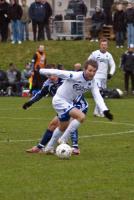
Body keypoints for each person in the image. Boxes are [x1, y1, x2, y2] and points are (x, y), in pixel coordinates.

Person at [39, 59, 113, 154]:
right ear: (84, 69)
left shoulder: (93, 82)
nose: (92, 73)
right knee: (81, 116)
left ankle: (49, 147)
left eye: (94, 71)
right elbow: (58, 72)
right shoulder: (75, 75)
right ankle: (63, 139)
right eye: (90, 70)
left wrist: (105, 110)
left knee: (63, 127)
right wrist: (41, 71)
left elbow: (97, 96)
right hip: (59, 100)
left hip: (68, 103)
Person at [23, 70, 88, 155]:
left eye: (52, 75)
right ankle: (40, 147)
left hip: (78, 104)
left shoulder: (65, 79)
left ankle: (75, 147)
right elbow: (40, 94)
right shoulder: (48, 84)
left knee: (71, 120)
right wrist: (29, 102)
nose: (51, 77)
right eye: (48, 75)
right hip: (64, 105)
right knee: (53, 124)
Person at [88, 38, 116, 117]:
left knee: (102, 94)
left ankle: (96, 112)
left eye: (105, 45)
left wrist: (110, 73)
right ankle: (101, 111)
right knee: (99, 93)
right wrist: (90, 73)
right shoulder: (95, 53)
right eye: (102, 45)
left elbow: (113, 65)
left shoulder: (109, 55)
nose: (104, 46)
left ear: (107, 46)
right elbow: (88, 62)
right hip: (96, 77)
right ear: (100, 45)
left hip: (104, 78)